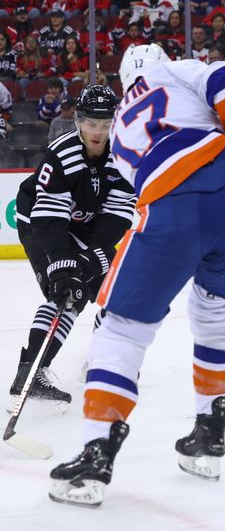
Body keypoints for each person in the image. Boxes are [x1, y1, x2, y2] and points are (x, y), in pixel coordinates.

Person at [48, 44, 225, 507]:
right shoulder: (182, 70)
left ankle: (96, 454)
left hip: (172, 206)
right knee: (214, 308)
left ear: (126, 80)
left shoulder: (122, 129)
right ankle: (209, 434)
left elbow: (178, 188)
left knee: (122, 327)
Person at [10, 85, 135, 410]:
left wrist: (93, 255)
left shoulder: (124, 157)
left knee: (96, 290)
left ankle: (101, 355)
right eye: (91, 123)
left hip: (86, 224)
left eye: (106, 124)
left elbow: (118, 214)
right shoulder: (62, 153)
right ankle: (29, 373)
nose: (98, 132)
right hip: (40, 222)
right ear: (78, 121)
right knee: (63, 291)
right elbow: (49, 217)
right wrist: (64, 264)